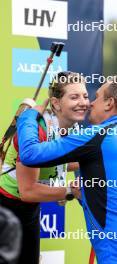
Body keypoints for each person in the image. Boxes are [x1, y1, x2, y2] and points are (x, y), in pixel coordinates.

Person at [17, 75, 117, 263]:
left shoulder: (99, 135)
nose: (90, 103)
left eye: (96, 97)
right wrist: (78, 191)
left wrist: (27, 114)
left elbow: (30, 154)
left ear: (109, 103)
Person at [0, 71, 89, 264]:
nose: (83, 102)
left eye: (85, 96)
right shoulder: (38, 129)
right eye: (74, 97)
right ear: (56, 103)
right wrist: (70, 192)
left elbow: (62, 160)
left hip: (29, 209)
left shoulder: (73, 128)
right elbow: (28, 191)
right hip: (7, 205)